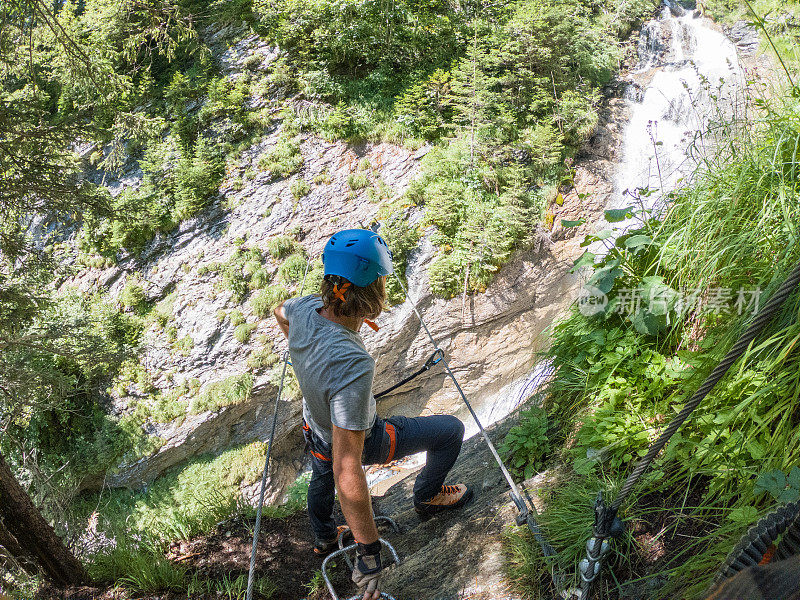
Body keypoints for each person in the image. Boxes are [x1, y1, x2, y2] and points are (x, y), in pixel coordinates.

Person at [274, 229, 472, 600]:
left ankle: (322, 538)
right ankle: (427, 496)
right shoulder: (353, 362)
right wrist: (369, 550)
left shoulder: (302, 310)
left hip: (315, 427)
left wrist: (302, 354)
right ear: (371, 296)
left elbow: (279, 310)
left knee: (321, 474)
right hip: (368, 440)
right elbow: (348, 467)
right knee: (450, 430)